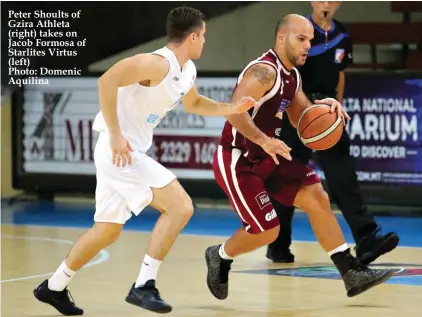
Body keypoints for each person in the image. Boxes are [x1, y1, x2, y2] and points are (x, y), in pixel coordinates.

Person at [33, 6, 257, 316]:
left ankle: (53, 287)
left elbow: (193, 104)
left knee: (107, 231)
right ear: (192, 36)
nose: (205, 41)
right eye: (203, 36)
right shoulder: (156, 63)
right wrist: (114, 134)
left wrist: (232, 108)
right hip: (119, 152)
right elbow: (106, 81)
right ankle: (143, 286)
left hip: (127, 152)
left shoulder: (186, 70)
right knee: (181, 206)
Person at [205, 14, 395, 302]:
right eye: (301, 39)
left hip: (269, 157)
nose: (308, 45)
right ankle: (220, 255)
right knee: (267, 232)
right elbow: (233, 111)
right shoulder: (264, 72)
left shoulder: (292, 76)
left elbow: (301, 117)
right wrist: (264, 139)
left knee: (316, 194)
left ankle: (350, 271)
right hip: (239, 159)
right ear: (282, 38)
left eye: (310, 40)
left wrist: (326, 109)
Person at [266, 1, 399, 264]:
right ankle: (277, 243)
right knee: (286, 178)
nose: (326, 3)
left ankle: (367, 238)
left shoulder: (343, 35)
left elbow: (340, 75)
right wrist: (302, 109)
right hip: (297, 108)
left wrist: (337, 106)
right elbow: (289, 73)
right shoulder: (301, 31)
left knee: (343, 175)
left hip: (327, 112)